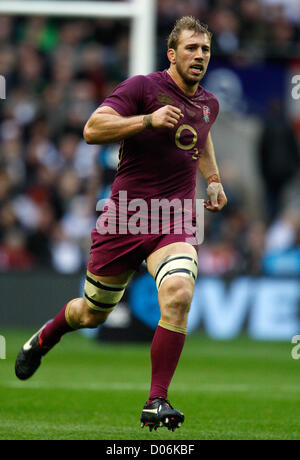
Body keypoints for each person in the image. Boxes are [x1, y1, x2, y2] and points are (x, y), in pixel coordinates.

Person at [15, 16, 227, 432]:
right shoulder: (142, 88)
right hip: (125, 217)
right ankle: (44, 337)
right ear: (172, 53)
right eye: (191, 49)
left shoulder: (209, 104)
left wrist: (215, 180)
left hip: (174, 220)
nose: (199, 56)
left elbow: (201, 138)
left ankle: (157, 401)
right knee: (91, 314)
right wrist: (145, 121)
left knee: (179, 292)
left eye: (204, 49)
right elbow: (92, 129)